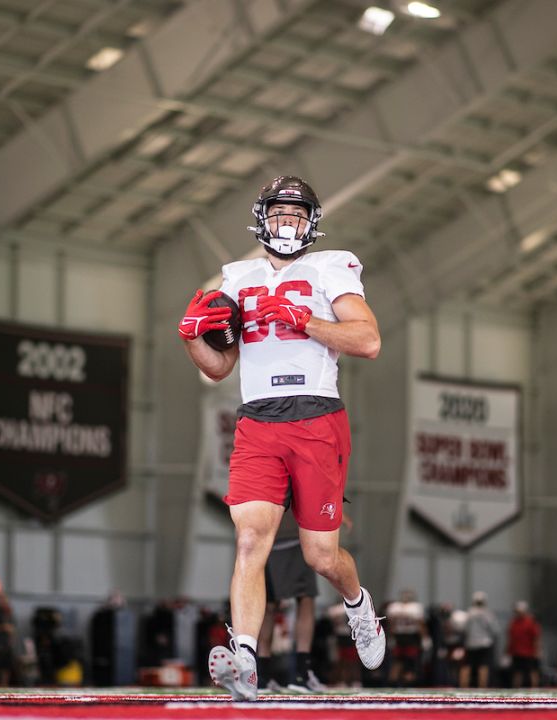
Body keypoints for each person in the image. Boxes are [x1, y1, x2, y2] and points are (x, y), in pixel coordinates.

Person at [180, 175, 385, 701]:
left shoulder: (330, 265)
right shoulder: (237, 275)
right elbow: (218, 366)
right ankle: (246, 659)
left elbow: (367, 340)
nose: (286, 222)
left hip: (317, 418)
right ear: (262, 218)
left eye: (296, 214)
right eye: (279, 213)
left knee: (321, 557)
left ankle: (359, 603)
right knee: (250, 540)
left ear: (311, 221)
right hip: (256, 420)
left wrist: (305, 319)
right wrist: (190, 338)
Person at [256, 510, 327, 693]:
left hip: (259, 533)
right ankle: (302, 676)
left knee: (268, 604)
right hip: (293, 533)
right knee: (305, 599)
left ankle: (262, 676)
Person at [384, 589, 427, 687]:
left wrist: (391, 637)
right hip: (411, 637)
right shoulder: (415, 608)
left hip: (399, 636)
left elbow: (391, 625)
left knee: (398, 661)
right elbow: (420, 624)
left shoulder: (394, 607)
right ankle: (407, 683)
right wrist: (425, 637)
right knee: (410, 661)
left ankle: (394, 682)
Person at [463, 591, 499, 688]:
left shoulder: (469, 613)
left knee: (467, 665)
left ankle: (463, 687)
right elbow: (495, 630)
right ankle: (482, 687)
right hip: (484, 643)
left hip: (470, 643)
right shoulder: (488, 614)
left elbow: (464, 628)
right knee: (483, 666)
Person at [507, 600, 542, 688]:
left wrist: (537, 650)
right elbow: (511, 638)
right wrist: (508, 651)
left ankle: (535, 690)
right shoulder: (514, 622)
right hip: (517, 652)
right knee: (517, 673)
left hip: (529, 652)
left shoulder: (530, 622)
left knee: (532, 672)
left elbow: (536, 637)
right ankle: (516, 690)